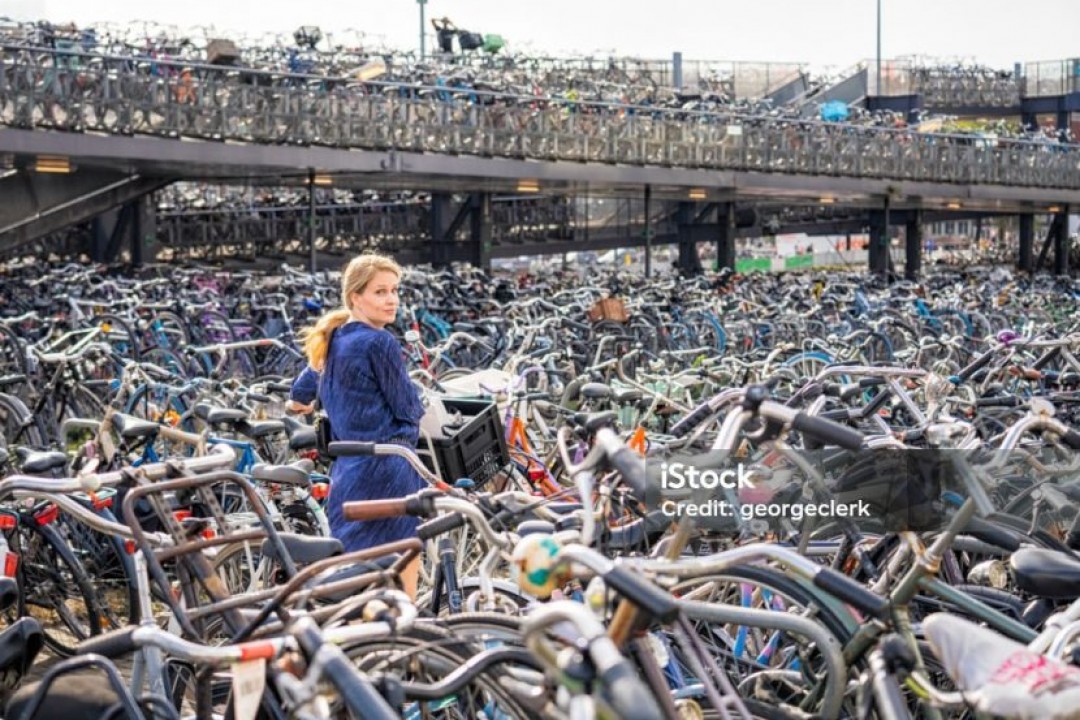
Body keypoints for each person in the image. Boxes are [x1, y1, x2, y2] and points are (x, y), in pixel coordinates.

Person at [286, 254, 425, 597]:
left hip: (348, 472)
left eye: (395, 290)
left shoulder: (334, 338)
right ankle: (405, 638)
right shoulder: (379, 342)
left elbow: (297, 399)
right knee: (405, 557)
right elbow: (408, 410)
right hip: (388, 467)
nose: (392, 299)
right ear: (355, 297)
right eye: (380, 292)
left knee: (353, 573)